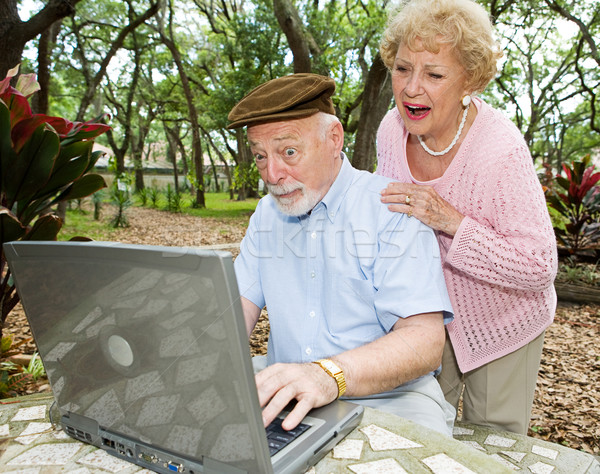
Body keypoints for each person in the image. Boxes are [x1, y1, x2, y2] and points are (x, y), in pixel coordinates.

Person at [228, 73, 456, 436]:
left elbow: (425, 342)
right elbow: (235, 310)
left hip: (391, 399)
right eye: (260, 156)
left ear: (334, 138)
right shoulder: (266, 215)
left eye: (288, 151)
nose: (272, 174)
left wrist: (327, 375)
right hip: (286, 391)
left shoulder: (391, 210)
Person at [376, 0, 558, 435]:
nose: (411, 89)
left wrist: (450, 221)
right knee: (416, 431)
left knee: (493, 443)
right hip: (428, 314)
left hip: (504, 318)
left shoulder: (501, 149)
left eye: (434, 74)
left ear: (469, 80)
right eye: (403, 69)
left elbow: (538, 265)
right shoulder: (389, 130)